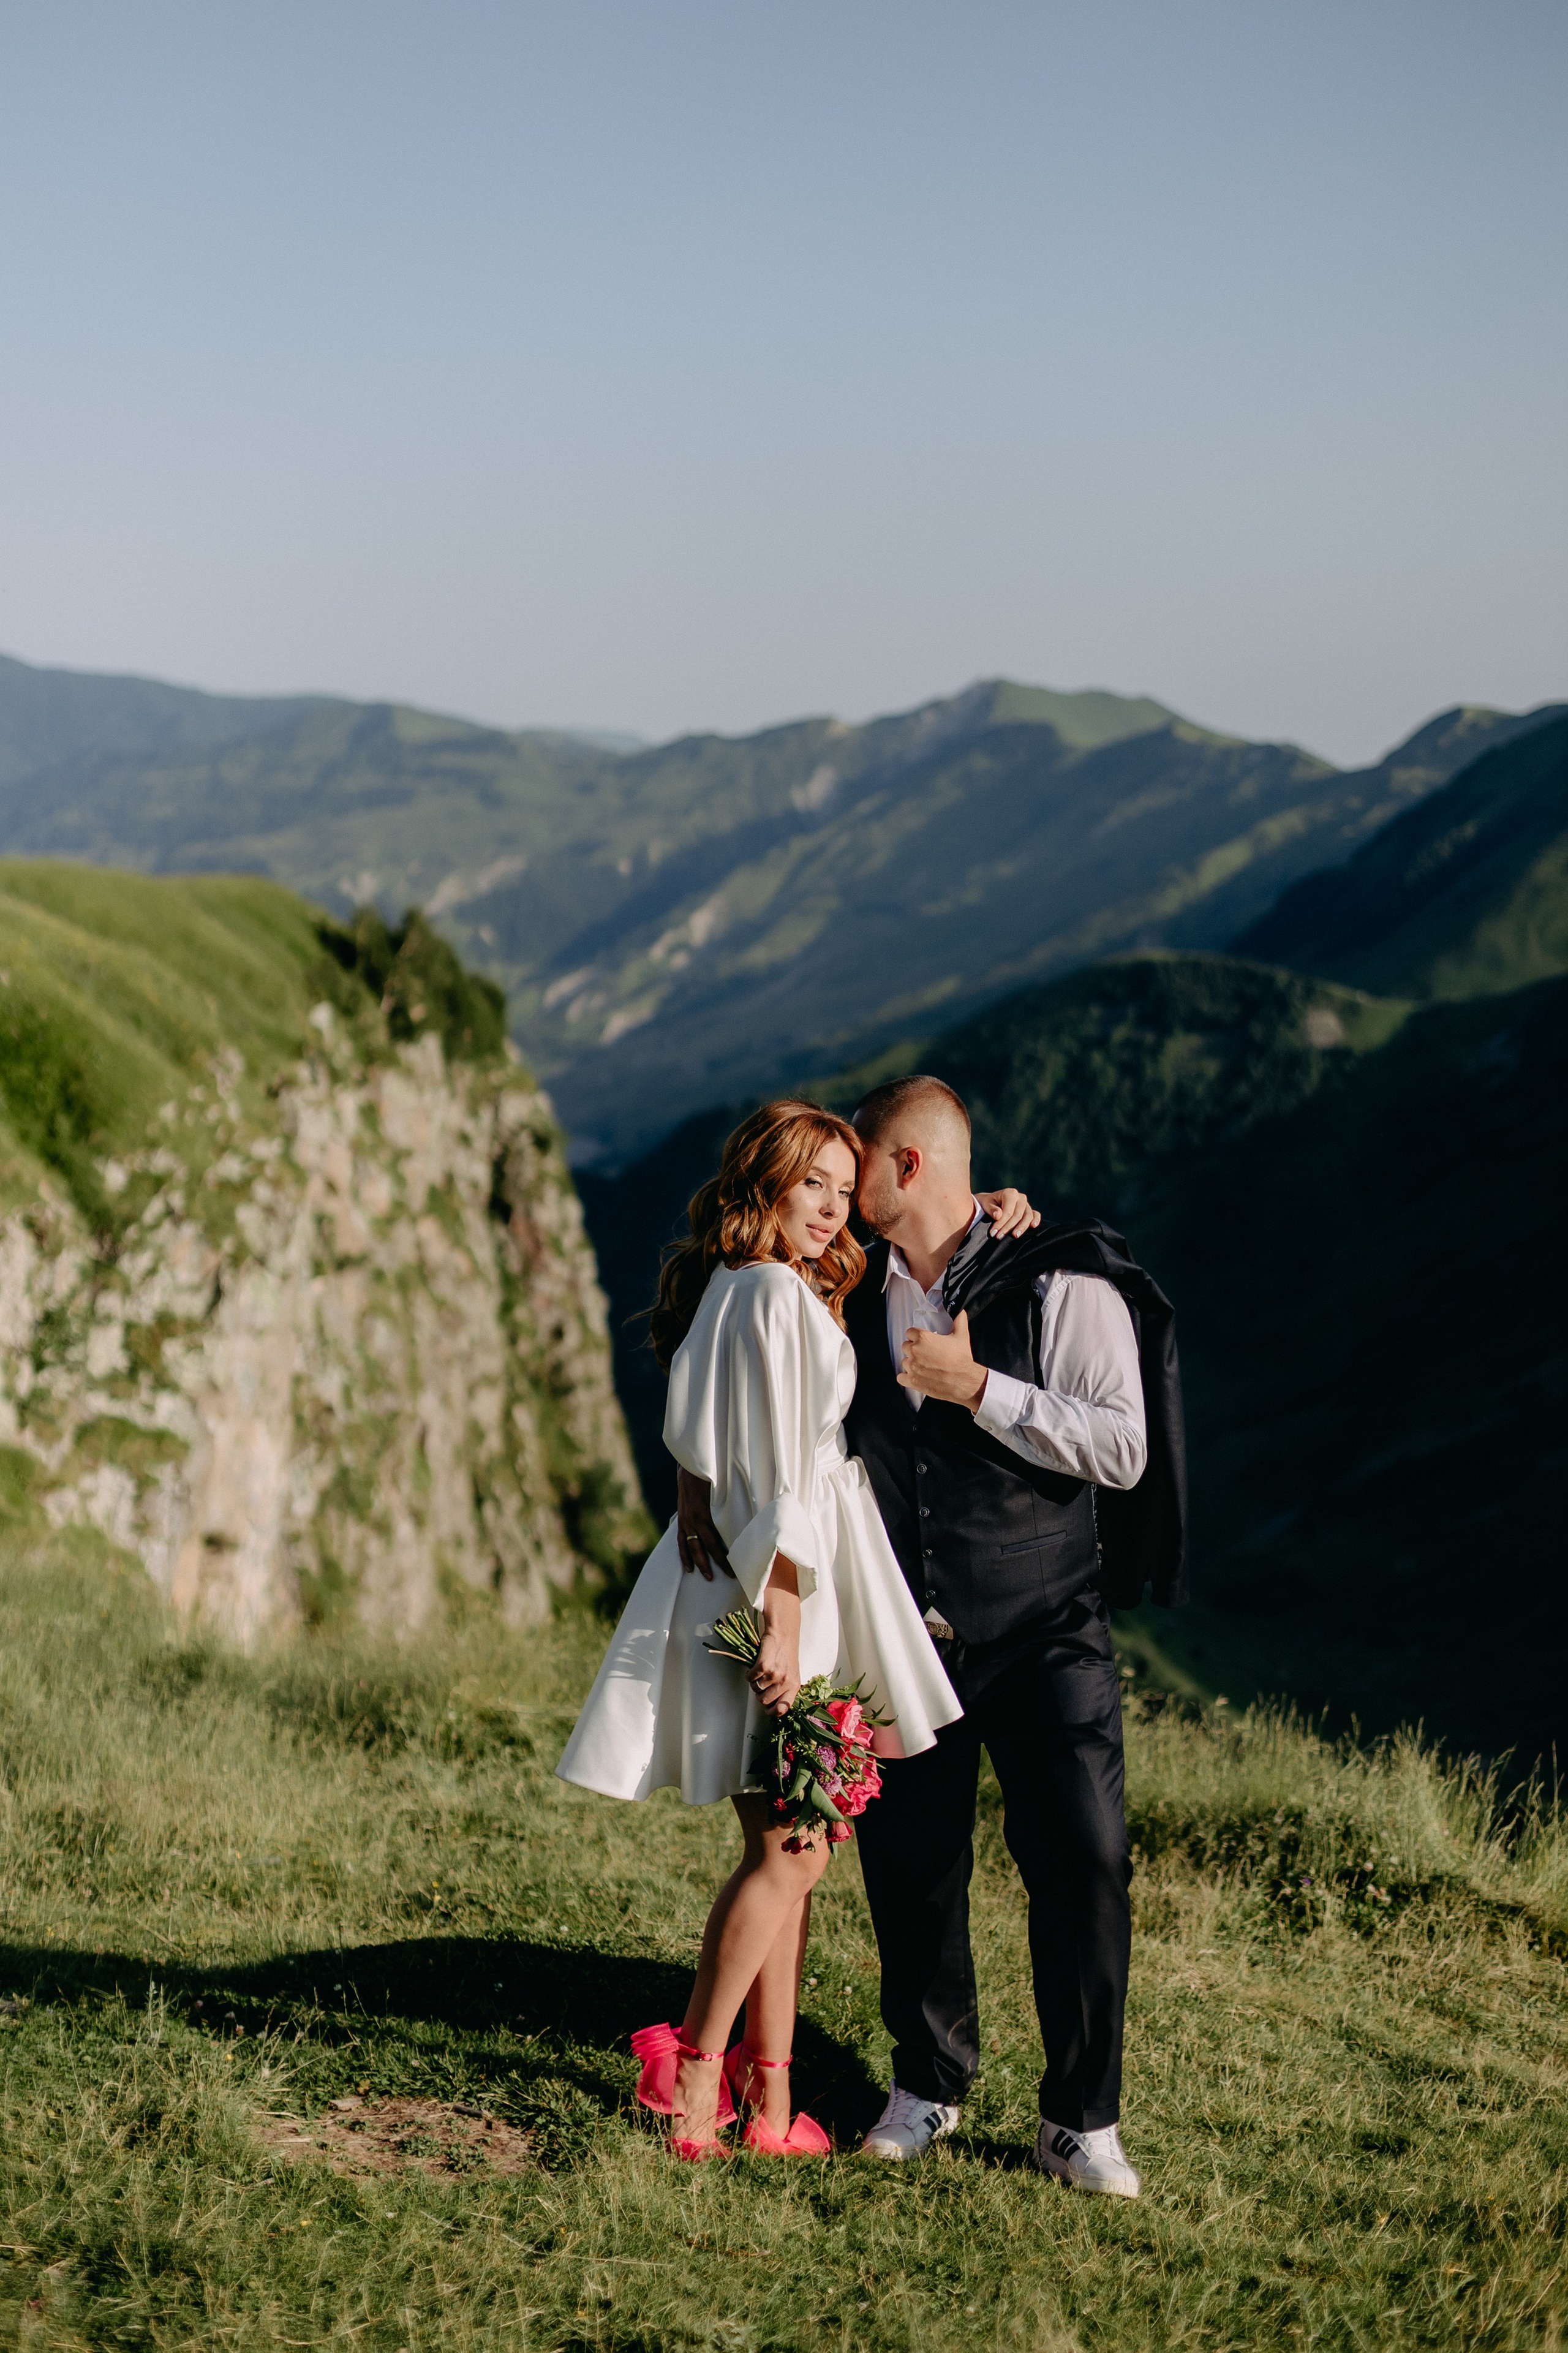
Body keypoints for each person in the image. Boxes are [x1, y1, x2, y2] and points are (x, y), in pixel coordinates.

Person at [678, 1074, 1186, 2196]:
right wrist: (693, 1481)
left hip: (1049, 1627)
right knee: (913, 1872)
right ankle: (927, 2082)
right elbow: (736, 1358)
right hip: (903, 1630)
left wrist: (983, 1388)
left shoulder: (1061, 1274)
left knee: (1085, 1860)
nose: (842, 1190)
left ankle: (1080, 2121)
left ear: (905, 1167)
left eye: (857, 1166)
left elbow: (1123, 1448)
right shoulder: (845, 1287)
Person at [556, 1099, 1039, 2159]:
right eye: (811, 1183)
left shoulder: (729, 1285)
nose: (832, 1208)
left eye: (841, 1185)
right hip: (785, 1591)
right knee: (795, 1846)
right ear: (765, 1182)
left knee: (789, 1846)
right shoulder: (777, 1295)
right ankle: (692, 2075)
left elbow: (702, 1419)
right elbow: (780, 1473)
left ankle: (771, 2104)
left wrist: (692, 1489)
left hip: (732, 1568)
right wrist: (782, 1621)